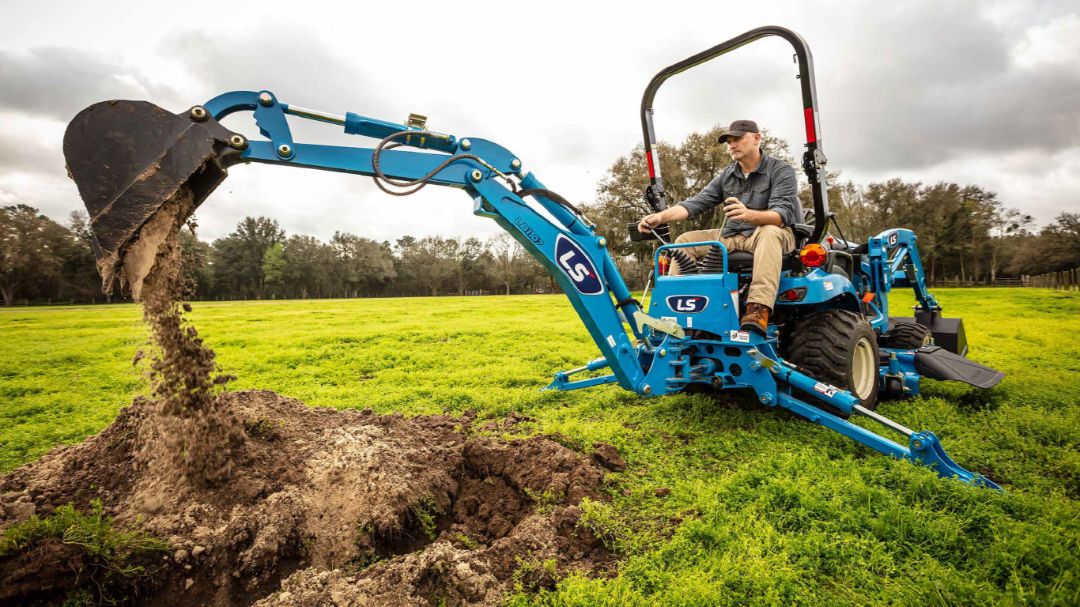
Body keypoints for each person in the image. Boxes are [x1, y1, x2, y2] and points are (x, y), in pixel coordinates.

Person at [638, 120, 802, 334]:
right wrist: (660, 217)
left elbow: (781, 215)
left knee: (770, 232)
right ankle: (676, 309)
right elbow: (695, 203)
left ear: (756, 138)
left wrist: (749, 215)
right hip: (732, 234)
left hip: (769, 233)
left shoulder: (780, 170)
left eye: (738, 139)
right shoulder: (727, 175)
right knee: (684, 241)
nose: (732, 145)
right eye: (729, 141)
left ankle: (757, 309)